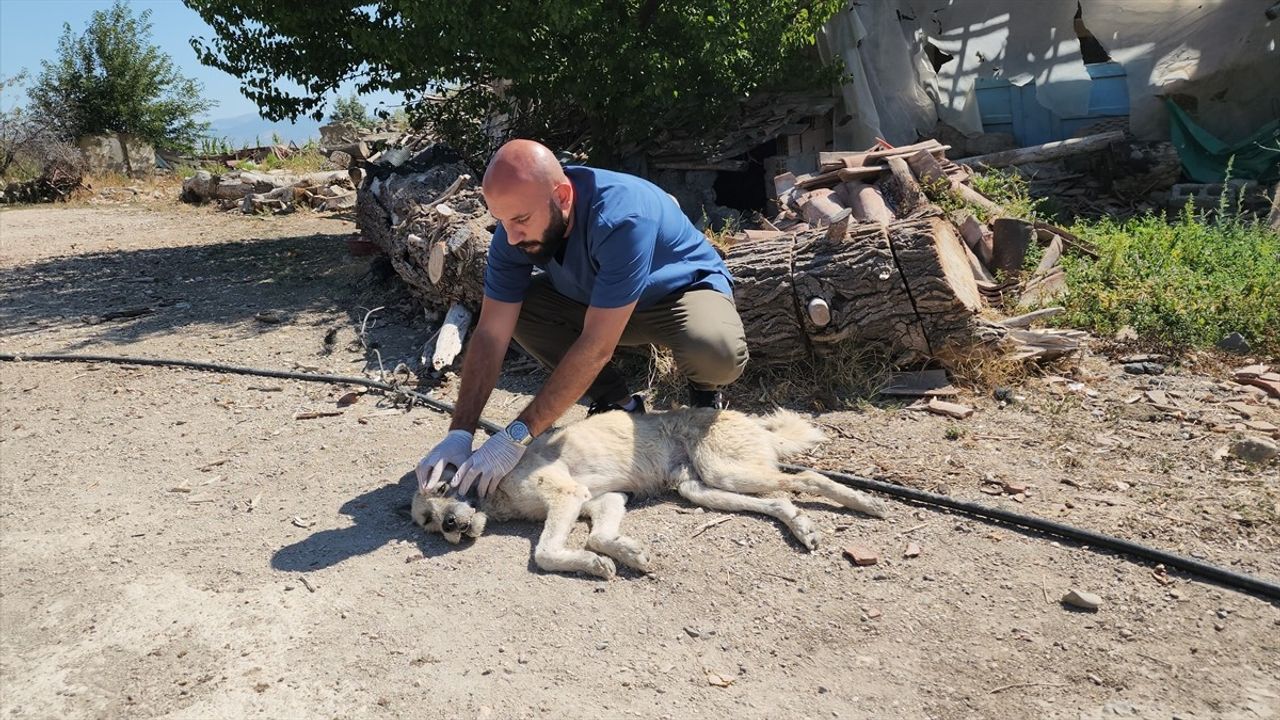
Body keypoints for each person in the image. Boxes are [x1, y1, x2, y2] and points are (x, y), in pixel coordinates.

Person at [416, 139, 748, 499]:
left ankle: (704, 391)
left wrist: (514, 437)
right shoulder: (514, 233)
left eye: (522, 220)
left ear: (561, 197)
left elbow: (596, 345)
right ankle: (618, 402)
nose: (510, 236)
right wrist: (459, 433)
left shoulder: (622, 215)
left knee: (717, 351)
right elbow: (491, 334)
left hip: (676, 294)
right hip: (599, 299)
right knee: (519, 312)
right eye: (502, 221)